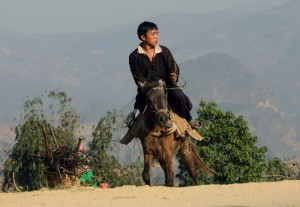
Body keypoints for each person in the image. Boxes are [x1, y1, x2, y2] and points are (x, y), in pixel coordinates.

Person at [120, 21, 199, 145]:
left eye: (157, 33)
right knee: (138, 109)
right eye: (153, 34)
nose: (156, 36)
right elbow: (138, 78)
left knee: (179, 96)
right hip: (147, 90)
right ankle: (133, 129)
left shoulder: (164, 51)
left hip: (167, 87)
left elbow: (173, 68)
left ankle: (189, 120)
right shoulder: (134, 56)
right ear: (143, 37)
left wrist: (173, 76)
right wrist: (149, 87)